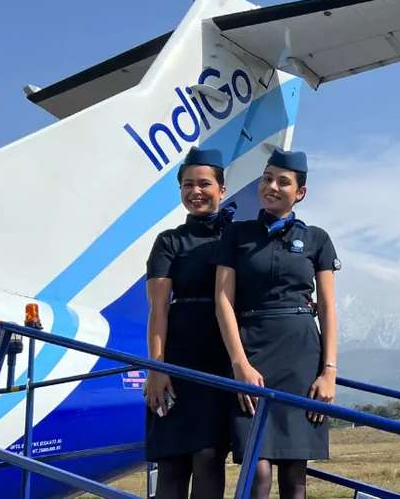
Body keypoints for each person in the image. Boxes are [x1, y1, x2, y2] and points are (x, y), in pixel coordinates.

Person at [213, 148, 340, 499]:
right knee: (257, 470)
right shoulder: (236, 235)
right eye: (267, 179)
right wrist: (239, 364)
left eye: (283, 182)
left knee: (295, 475)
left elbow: (327, 307)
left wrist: (329, 372)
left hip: (301, 359)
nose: (271, 187)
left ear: (300, 192)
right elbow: (223, 301)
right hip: (250, 353)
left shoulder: (317, 239)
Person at [145, 147, 235, 499]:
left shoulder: (237, 238)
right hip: (178, 358)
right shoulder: (169, 241)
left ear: (222, 189)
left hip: (220, 360)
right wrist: (157, 367)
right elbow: (158, 309)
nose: (195, 191)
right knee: (172, 463)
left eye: (203, 184)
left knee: (210, 458)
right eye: (187, 185)